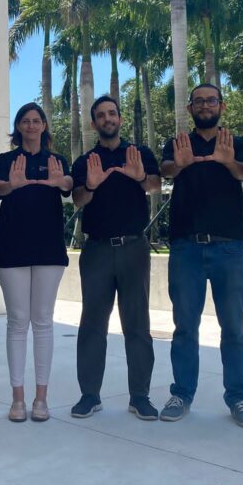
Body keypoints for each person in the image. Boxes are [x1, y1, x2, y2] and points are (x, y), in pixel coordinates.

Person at [159, 84, 243, 427]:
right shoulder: (177, 143)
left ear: (222, 105)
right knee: (185, 326)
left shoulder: (237, 143)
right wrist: (179, 165)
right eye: (199, 101)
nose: (205, 106)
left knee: (234, 326)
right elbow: (165, 171)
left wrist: (230, 162)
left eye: (211, 100)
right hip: (186, 246)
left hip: (229, 246)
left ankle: (238, 397)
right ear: (190, 108)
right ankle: (182, 393)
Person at [70, 95, 162, 421]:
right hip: (95, 250)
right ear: (94, 123)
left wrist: (139, 176)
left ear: (120, 119)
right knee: (93, 325)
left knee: (137, 325)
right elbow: (78, 199)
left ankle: (140, 396)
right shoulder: (85, 161)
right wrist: (91, 186)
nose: (107, 119)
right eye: (101, 115)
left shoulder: (140, 154)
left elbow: (155, 186)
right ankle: (89, 395)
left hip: (134, 248)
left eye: (112, 113)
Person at [0, 103, 72, 422]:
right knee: (17, 321)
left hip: (49, 249)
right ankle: (17, 399)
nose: (31, 125)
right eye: (25, 121)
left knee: (42, 321)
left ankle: (41, 398)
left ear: (44, 126)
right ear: (18, 126)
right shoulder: (6, 160)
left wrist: (57, 182)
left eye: (36, 120)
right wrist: (13, 185)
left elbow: (69, 186)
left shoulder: (57, 160)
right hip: (11, 249)